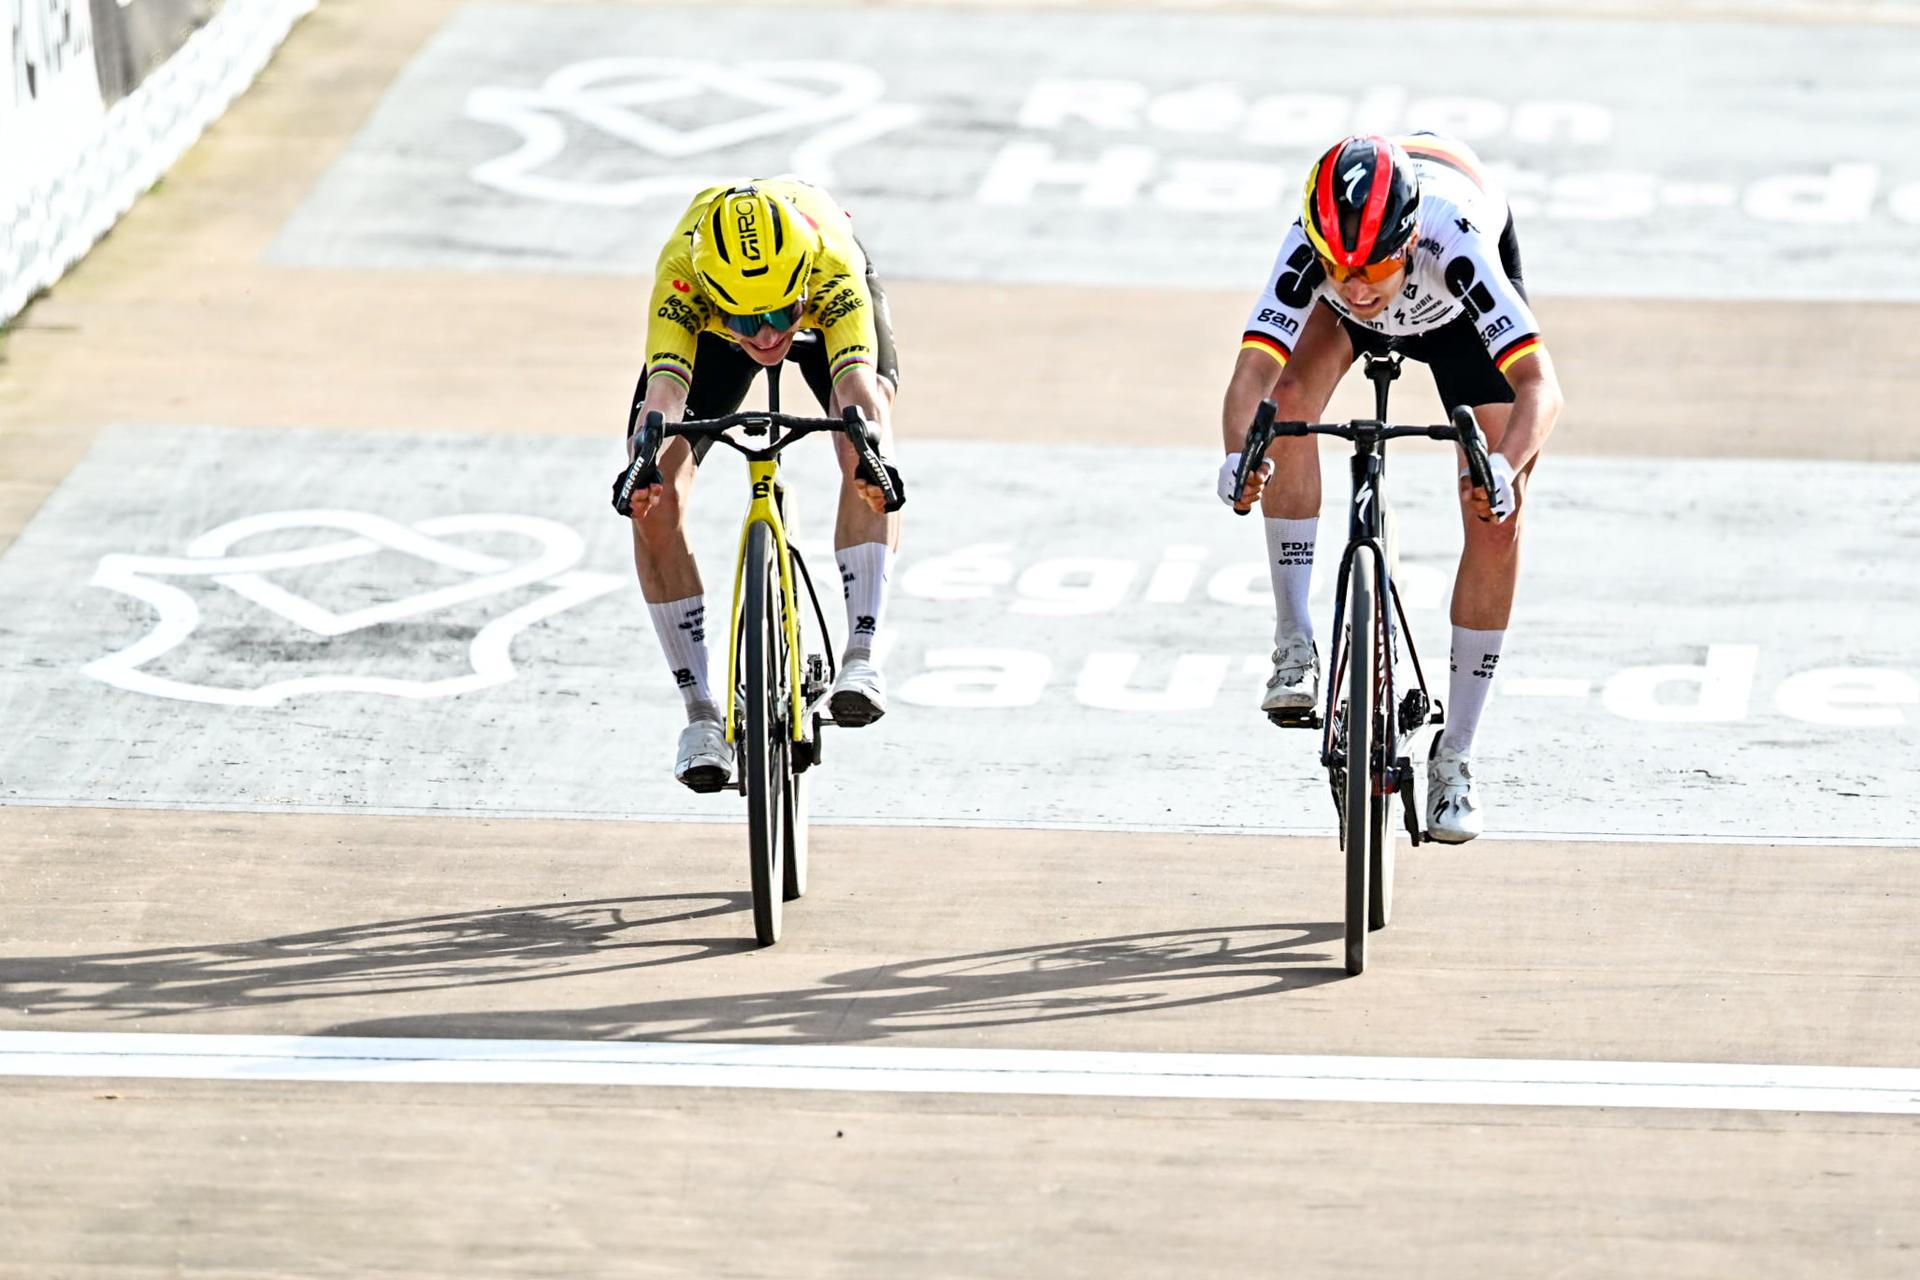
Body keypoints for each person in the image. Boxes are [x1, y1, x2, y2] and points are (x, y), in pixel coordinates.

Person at [1218, 133, 1564, 842]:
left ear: (1405, 240)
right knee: (1282, 414)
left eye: (1373, 266)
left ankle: (1456, 756)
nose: (1357, 286)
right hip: (1359, 319)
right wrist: (1238, 455)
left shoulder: (1453, 240)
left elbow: (1542, 388)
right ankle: (1295, 640)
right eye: (1339, 268)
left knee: (1499, 512)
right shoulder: (1317, 251)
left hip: (1455, 318)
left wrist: (1503, 468)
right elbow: (1251, 373)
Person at [622, 179, 902, 792]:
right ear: (715, 295)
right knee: (654, 498)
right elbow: (663, 398)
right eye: (751, 318)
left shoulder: (829, 263)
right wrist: (642, 469)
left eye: (781, 313)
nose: (770, 335)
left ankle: (862, 651)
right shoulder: (684, 275)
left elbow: (855, 388)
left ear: (802, 283)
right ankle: (700, 714)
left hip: (828, 316)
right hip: (708, 334)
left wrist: (869, 455)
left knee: (866, 439)